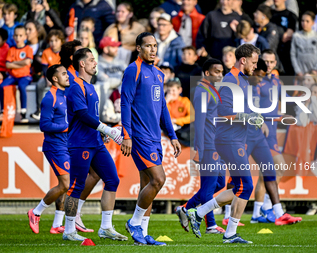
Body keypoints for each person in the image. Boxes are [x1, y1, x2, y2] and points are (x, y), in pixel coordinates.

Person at [186, 44, 261, 244]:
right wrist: (246, 116)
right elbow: (223, 112)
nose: (255, 66)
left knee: (238, 187)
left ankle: (198, 213)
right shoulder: (230, 81)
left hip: (235, 140)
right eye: (253, 62)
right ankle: (230, 233)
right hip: (227, 140)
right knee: (246, 187)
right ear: (243, 60)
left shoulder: (242, 81)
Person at [121, 32, 181, 245]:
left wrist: (171, 135)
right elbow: (125, 103)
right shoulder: (132, 70)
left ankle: (142, 235)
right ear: (138, 48)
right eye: (148, 46)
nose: (153, 49)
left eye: (155, 46)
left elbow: (162, 107)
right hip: (139, 136)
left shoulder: (158, 73)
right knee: (158, 179)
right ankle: (134, 222)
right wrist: (126, 135)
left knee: (147, 182)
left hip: (155, 136)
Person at [62, 48, 127, 241]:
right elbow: (82, 115)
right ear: (82, 64)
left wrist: (101, 132)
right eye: (91, 60)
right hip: (80, 143)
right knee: (76, 185)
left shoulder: (90, 87)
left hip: (95, 141)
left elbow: (90, 116)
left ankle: (106, 227)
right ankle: (68, 230)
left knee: (112, 179)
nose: (95, 63)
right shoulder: (76, 86)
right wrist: (107, 129)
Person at [245, 59, 302, 225]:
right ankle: (257, 210)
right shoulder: (245, 83)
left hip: (265, 134)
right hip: (249, 134)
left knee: (271, 170)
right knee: (236, 180)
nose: (261, 77)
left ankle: (272, 211)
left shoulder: (274, 82)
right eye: (265, 62)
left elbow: (282, 100)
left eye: (271, 62)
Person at [175, 59, 226, 234]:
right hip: (208, 145)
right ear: (206, 73)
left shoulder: (211, 90)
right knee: (210, 186)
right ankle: (210, 224)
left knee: (220, 183)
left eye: (221, 72)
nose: (220, 75)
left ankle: (185, 208)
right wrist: (199, 149)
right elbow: (200, 122)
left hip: (217, 145)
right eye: (216, 72)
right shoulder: (202, 92)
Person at [27, 64, 70, 234]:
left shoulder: (65, 95)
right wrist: (66, 126)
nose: (67, 76)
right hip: (55, 146)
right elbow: (44, 125)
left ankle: (57, 224)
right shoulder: (49, 97)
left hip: (66, 145)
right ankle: (35, 212)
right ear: (54, 78)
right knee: (65, 183)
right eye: (64, 74)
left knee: (65, 185)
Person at [0, 25, 33, 123]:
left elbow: (28, 62)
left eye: (20, 35)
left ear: (25, 37)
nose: (18, 38)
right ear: (13, 37)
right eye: (16, 36)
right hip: (13, 76)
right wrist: (21, 63)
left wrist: (13, 63)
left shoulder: (28, 49)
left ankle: (23, 113)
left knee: (22, 87)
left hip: (25, 76)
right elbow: (7, 65)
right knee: (2, 86)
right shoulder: (11, 50)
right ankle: (3, 111)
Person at [31, 29, 65, 121]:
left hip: (61, 77)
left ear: (61, 41)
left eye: (56, 40)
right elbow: (45, 68)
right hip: (48, 76)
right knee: (39, 85)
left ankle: (62, 111)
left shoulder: (64, 52)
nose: (53, 43)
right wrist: (49, 78)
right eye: (51, 41)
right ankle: (39, 110)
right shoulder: (46, 52)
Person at [97, 36, 128, 121]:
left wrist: (113, 80)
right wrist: (121, 78)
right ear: (106, 49)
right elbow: (105, 81)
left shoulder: (121, 63)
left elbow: (129, 79)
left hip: (122, 96)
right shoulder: (97, 63)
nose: (117, 49)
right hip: (106, 101)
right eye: (113, 47)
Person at [290, 11, 317, 77]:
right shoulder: (296, 36)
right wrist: (298, 71)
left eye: (307, 21)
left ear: (313, 23)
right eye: (302, 21)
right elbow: (293, 55)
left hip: (314, 74)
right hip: (300, 74)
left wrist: (315, 69)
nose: (304, 23)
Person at [270, 0, 298, 75]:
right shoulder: (269, 14)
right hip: (270, 55)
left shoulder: (291, 16)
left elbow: (286, 37)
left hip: (285, 56)